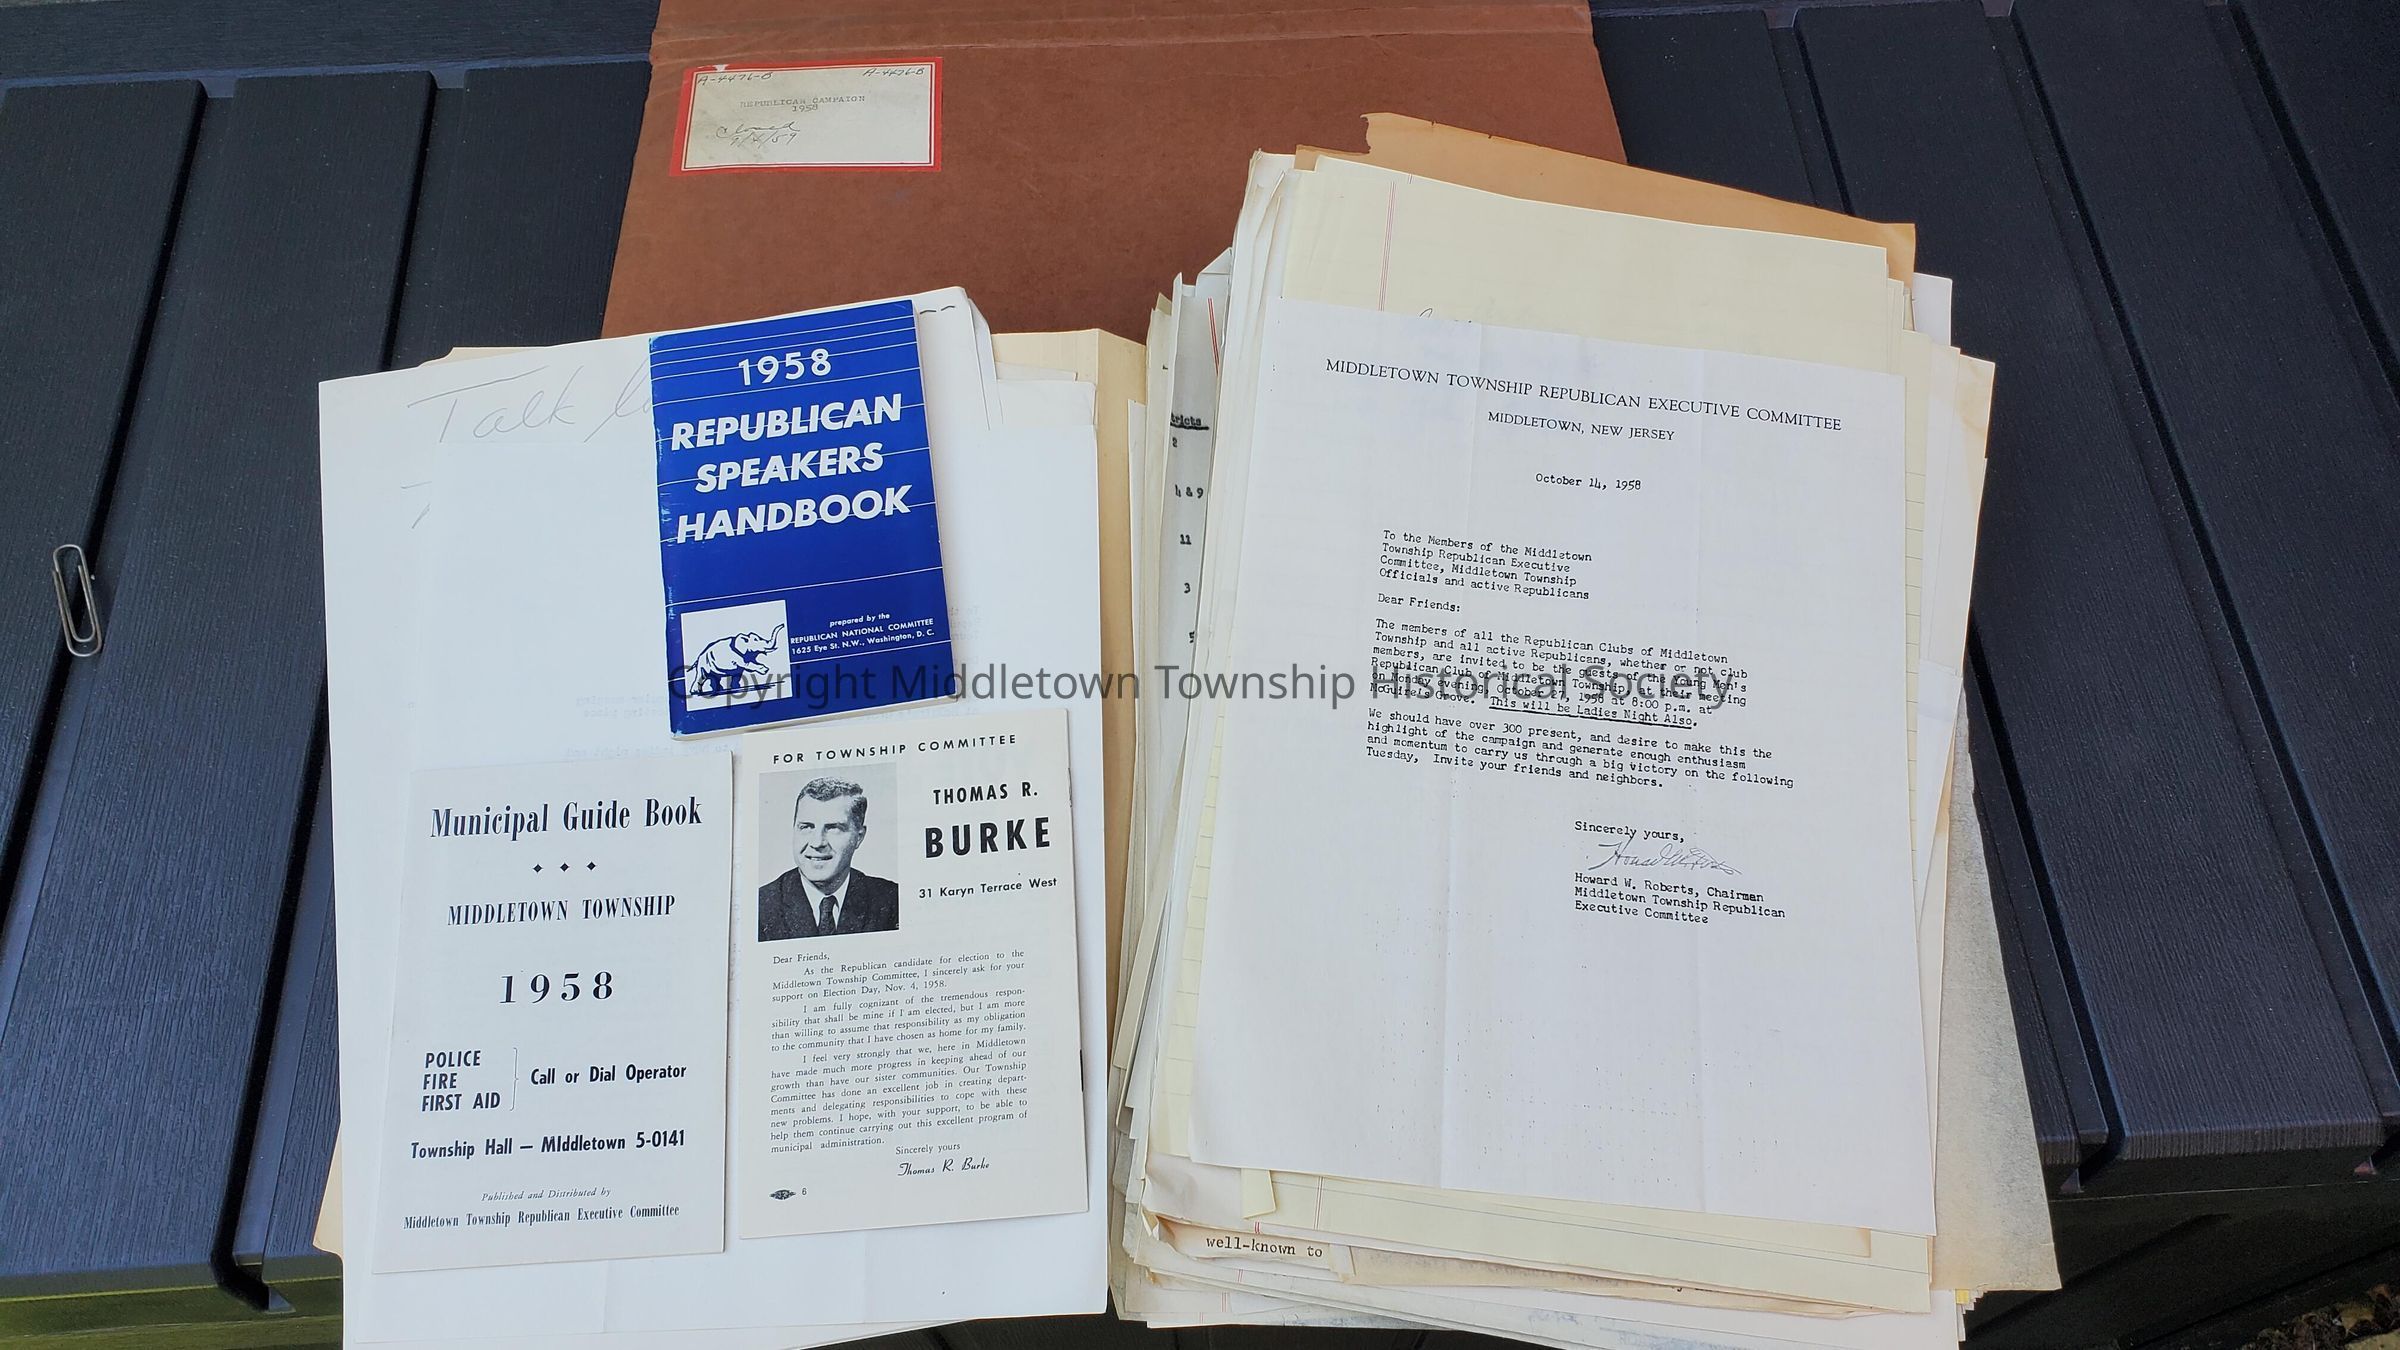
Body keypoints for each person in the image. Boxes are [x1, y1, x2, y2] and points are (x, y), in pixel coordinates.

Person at [758, 777, 900, 940]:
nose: (817, 843)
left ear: (859, 837)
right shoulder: (760, 906)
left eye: (833, 828)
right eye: (806, 827)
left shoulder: (892, 900)